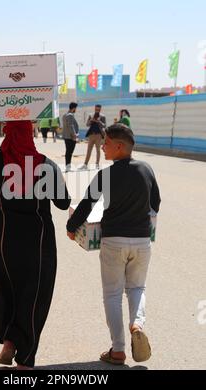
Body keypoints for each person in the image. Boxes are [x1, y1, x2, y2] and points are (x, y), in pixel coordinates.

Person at [0, 89, 71, 370]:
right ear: (30, 134)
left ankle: (9, 341)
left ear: (7, 133)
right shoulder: (44, 165)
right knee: (34, 298)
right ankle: (25, 360)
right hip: (37, 244)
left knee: (7, 289)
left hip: (2, 242)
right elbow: (63, 202)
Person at [67, 123, 161, 365]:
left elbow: (87, 204)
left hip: (114, 241)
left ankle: (118, 350)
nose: (103, 146)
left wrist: (71, 228)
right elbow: (156, 203)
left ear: (119, 147)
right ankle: (137, 324)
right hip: (142, 241)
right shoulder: (146, 169)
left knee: (112, 294)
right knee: (137, 288)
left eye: (106, 143)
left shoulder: (106, 175)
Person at [79, 105, 106, 170]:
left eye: (98, 109)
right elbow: (87, 124)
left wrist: (99, 121)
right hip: (91, 135)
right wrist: (91, 120)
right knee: (89, 150)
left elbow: (104, 125)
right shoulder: (91, 115)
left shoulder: (102, 116)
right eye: (96, 109)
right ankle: (85, 164)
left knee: (98, 150)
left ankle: (97, 164)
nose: (97, 110)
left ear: (100, 109)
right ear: (94, 108)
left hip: (98, 135)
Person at [62, 103, 79, 172]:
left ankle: (67, 166)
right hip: (71, 137)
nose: (76, 110)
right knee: (69, 152)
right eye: (75, 108)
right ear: (74, 108)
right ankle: (68, 167)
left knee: (68, 152)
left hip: (66, 136)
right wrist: (74, 135)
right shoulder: (70, 115)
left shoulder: (64, 115)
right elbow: (71, 126)